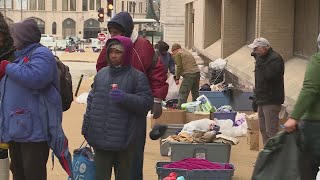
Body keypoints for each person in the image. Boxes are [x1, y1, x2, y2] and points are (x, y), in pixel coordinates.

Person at [95, 11, 168, 180]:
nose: (112, 36)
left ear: (127, 31)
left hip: (136, 109)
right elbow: (101, 69)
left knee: (133, 156)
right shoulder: (110, 45)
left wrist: (156, 99)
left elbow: (157, 73)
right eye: (111, 32)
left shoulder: (143, 46)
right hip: (112, 107)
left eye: (116, 32)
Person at [0, 19, 72, 180]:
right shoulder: (18, 56)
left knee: (33, 173)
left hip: (34, 131)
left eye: (14, 36)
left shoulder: (41, 54)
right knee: (19, 172)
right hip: (17, 128)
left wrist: (7, 67)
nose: (12, 39)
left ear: (24, 37)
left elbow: (37, 78)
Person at [82, 36, 153, 180]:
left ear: (126, 53)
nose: (113, 55)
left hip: (125, 141)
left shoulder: (137, 77)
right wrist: (87, 128)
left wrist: (125, 98)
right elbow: (91, 102)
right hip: (101, 139)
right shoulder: (101, 74)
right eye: (111, 51)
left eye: (118, 52)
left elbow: (146, 103)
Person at [284, 33, 320, 179]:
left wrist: (294, 117)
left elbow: (310, 89)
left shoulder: (317, 60)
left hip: (315, 123)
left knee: (307, 165)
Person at [248, 37, 285, 145]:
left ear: (264, 48)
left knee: (271, 131)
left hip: (272, 100)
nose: (254, 51)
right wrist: (256, 98)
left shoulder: (275, 59)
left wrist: (259, 62)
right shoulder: (262, 59)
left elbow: (269, 76)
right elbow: (259, 81)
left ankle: (274, 157)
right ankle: (266, 155)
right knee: (263, 130)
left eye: (256, 49)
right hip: (262, 99)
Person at [171, 43, 200, 109]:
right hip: (197, 73)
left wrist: (177, 78)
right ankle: (197, 108)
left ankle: (180, 110)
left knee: (183, 92)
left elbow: (179, 67)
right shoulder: (187, 53)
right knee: (195, 93)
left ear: (175, 50)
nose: (174, 54)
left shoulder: (178, 54)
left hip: (189, 74)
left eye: (173, 52)